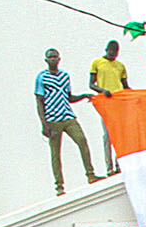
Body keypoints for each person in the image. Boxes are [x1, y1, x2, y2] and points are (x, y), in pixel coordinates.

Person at [36, 49, 102, 196]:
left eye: (55, 57)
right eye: (50, 57)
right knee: (56, 153)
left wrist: (83, 96)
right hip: (52, 119)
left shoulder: (65, 76)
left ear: (59, 59)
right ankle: (59, 185)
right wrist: (44, 124)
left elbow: (68, 97)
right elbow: (39, 101)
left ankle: (90, 174)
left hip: (67, 116)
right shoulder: (42, 77)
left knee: (82, 140)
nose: (53, 59)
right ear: (46, 60)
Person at [87, 41, 130, 176]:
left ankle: (119, 164)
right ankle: (109, 167)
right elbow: (91, 84)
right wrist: (102, 91)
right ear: (106, 50)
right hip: (106, 102)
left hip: (119, 102)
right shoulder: (97, 63)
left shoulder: (120, 66)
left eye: (115, 52)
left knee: (120, 134)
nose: (113, 54)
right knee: (107, 135)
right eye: (111, 51)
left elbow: (125, 86)